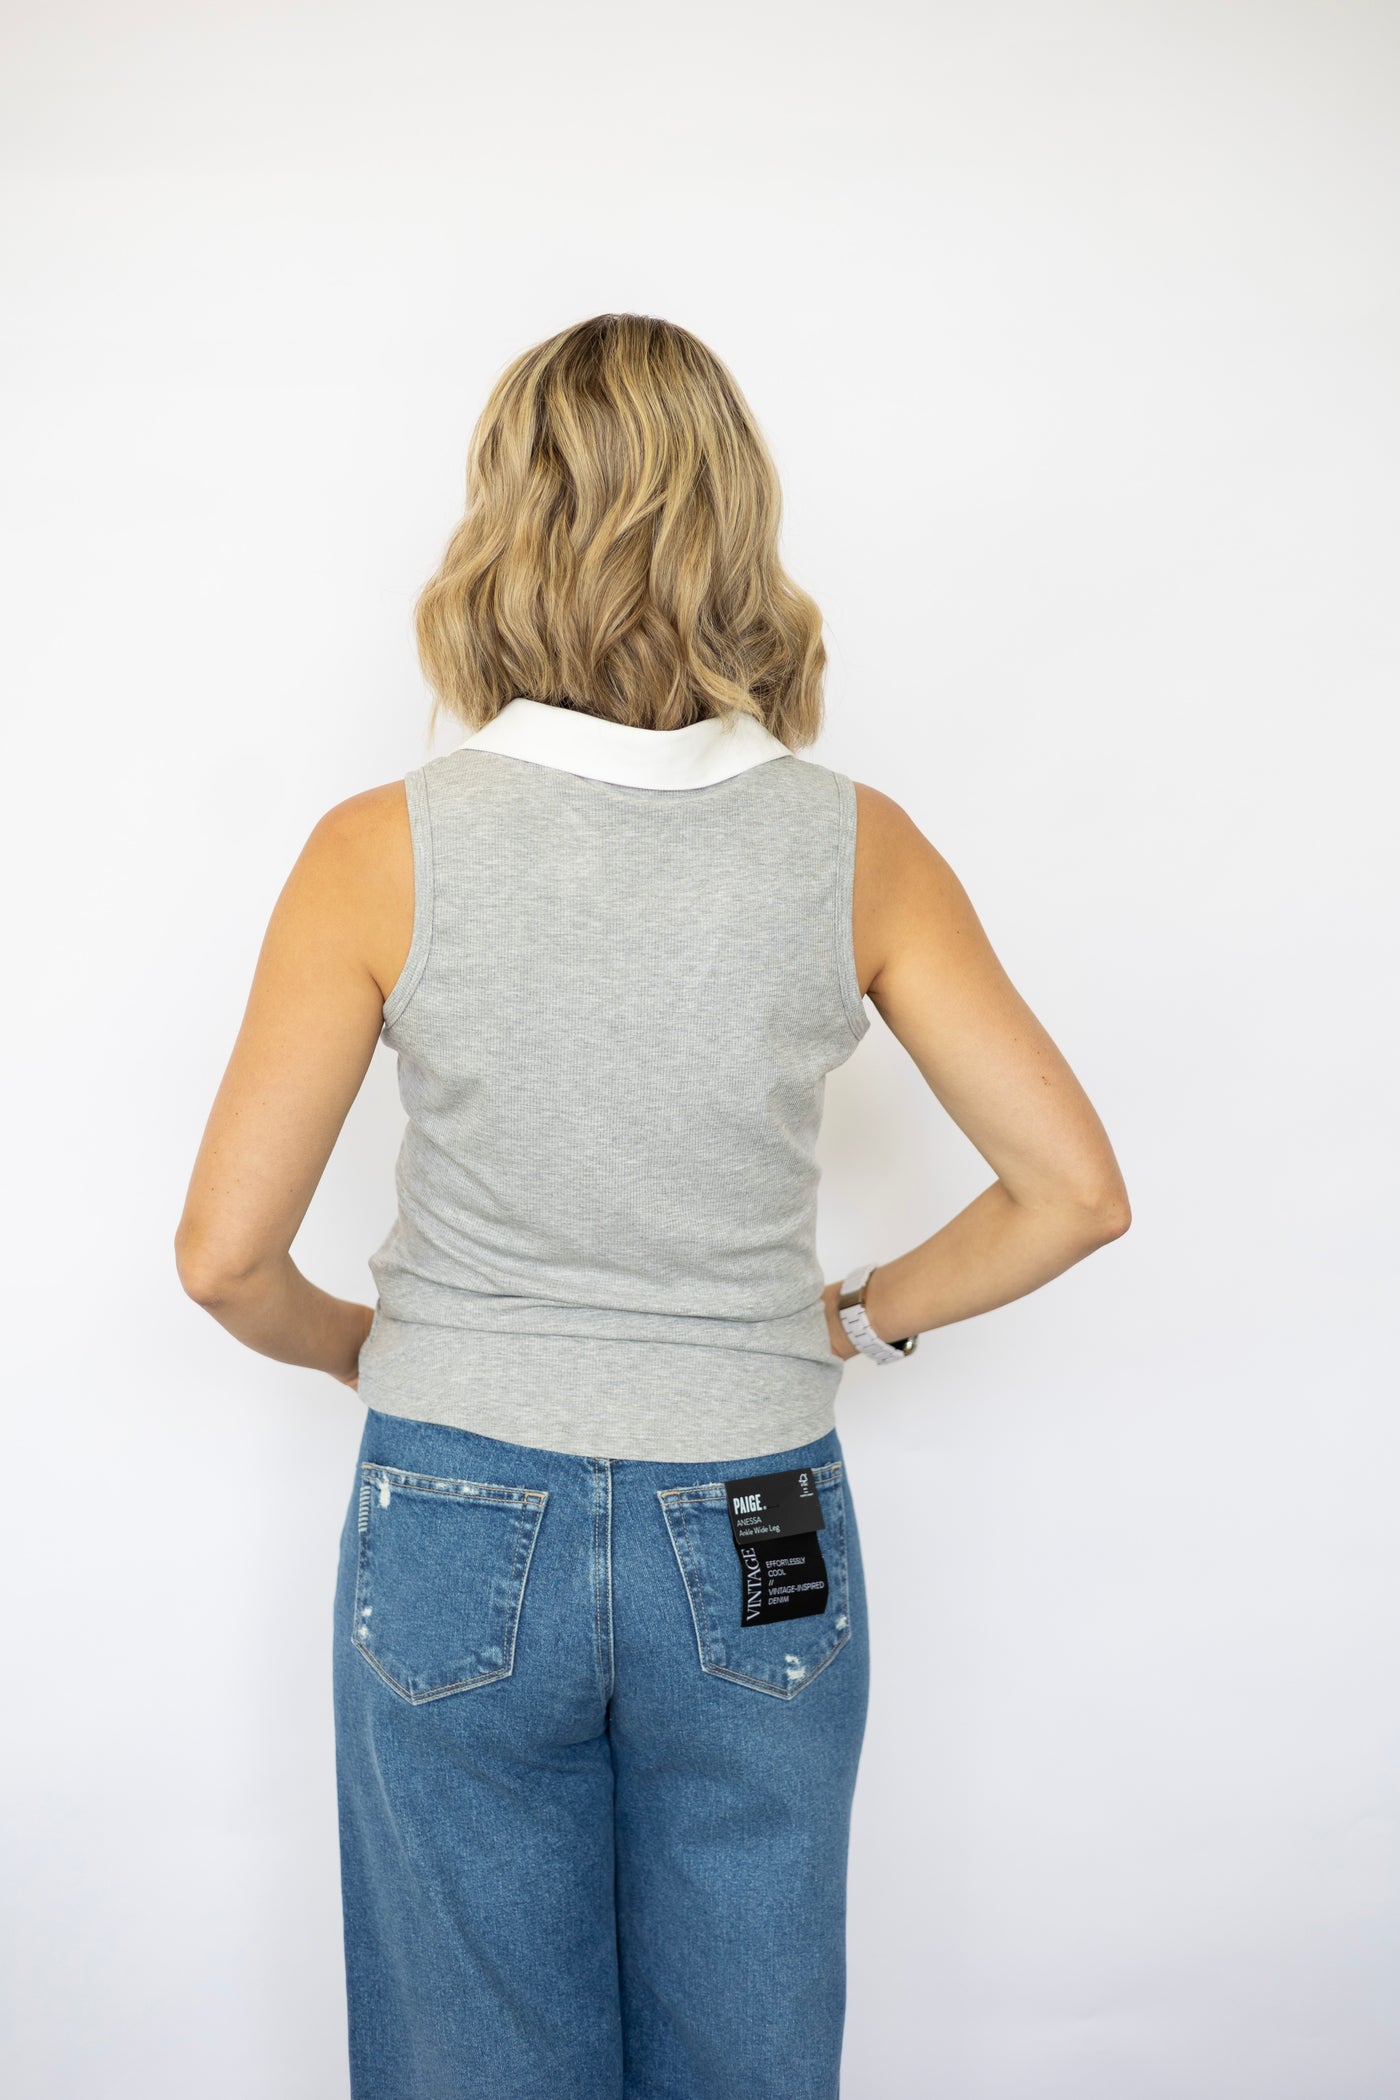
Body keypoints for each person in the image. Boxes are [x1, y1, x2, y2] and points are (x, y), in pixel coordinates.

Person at [174, 312, 1130, 2100]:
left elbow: (224, 1256)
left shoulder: (382, 846)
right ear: (736, 529)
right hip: (755, 1508)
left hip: (457, 1496)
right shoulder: (858, 847)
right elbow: (1071, 1194)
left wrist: (373, 1349)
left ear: (500, 529)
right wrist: (851, 1318)